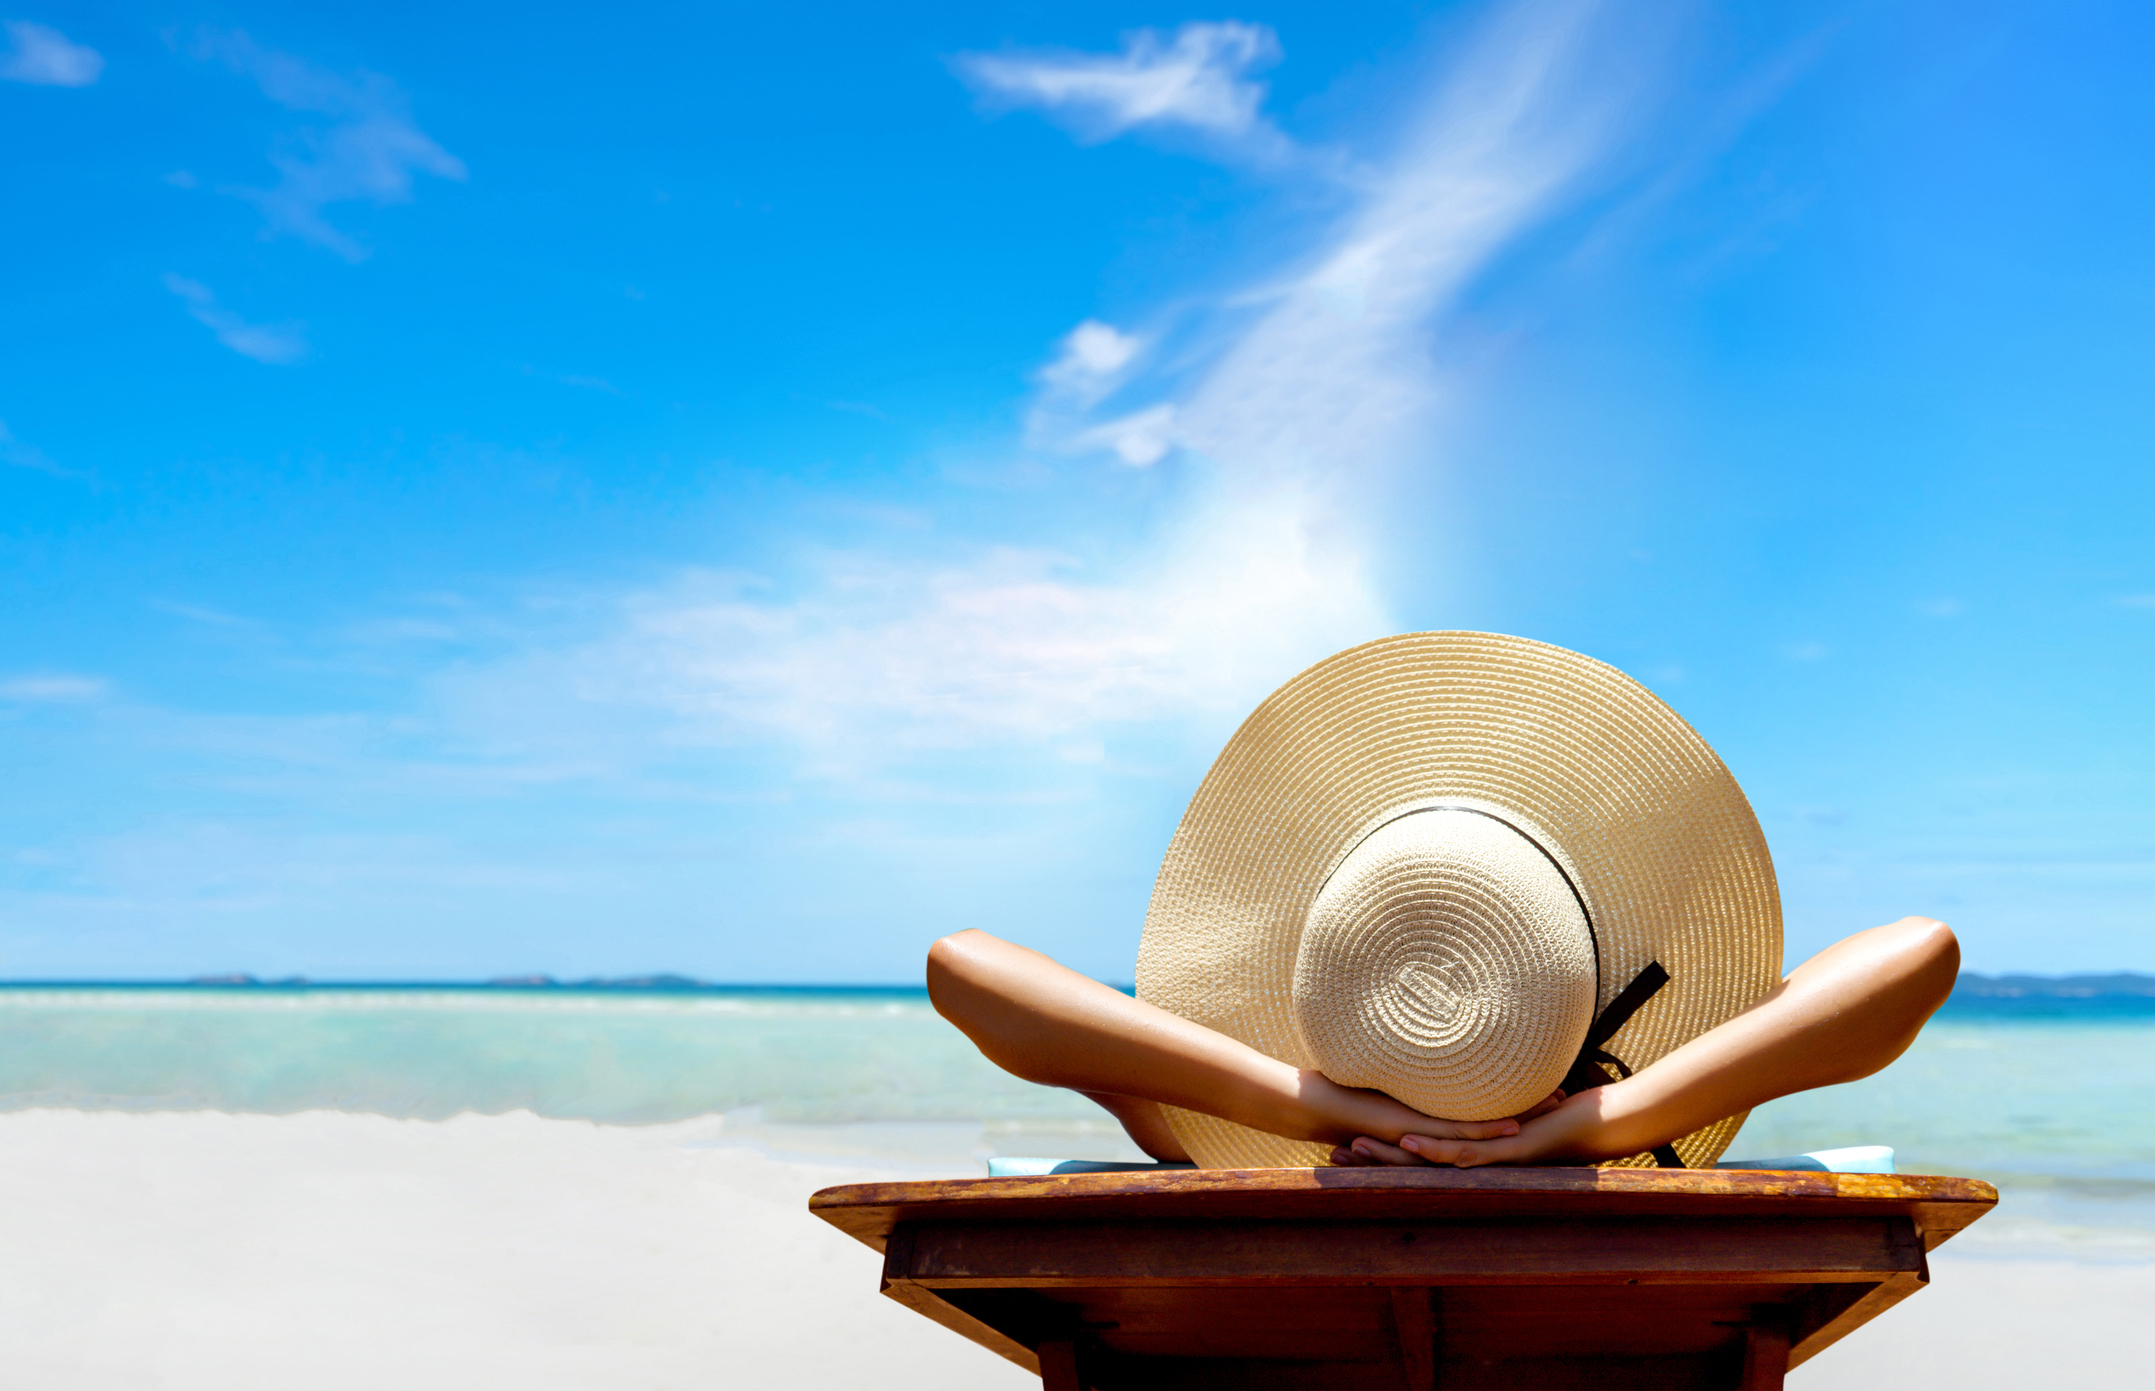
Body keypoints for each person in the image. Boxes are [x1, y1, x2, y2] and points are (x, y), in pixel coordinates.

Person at [926, 914, 1958, 1168]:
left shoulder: (1211, 1113)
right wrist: (1595, 1126)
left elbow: (961, 963)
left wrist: (1315, 1110)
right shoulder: (1644, 1100)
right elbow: (1919, 952)